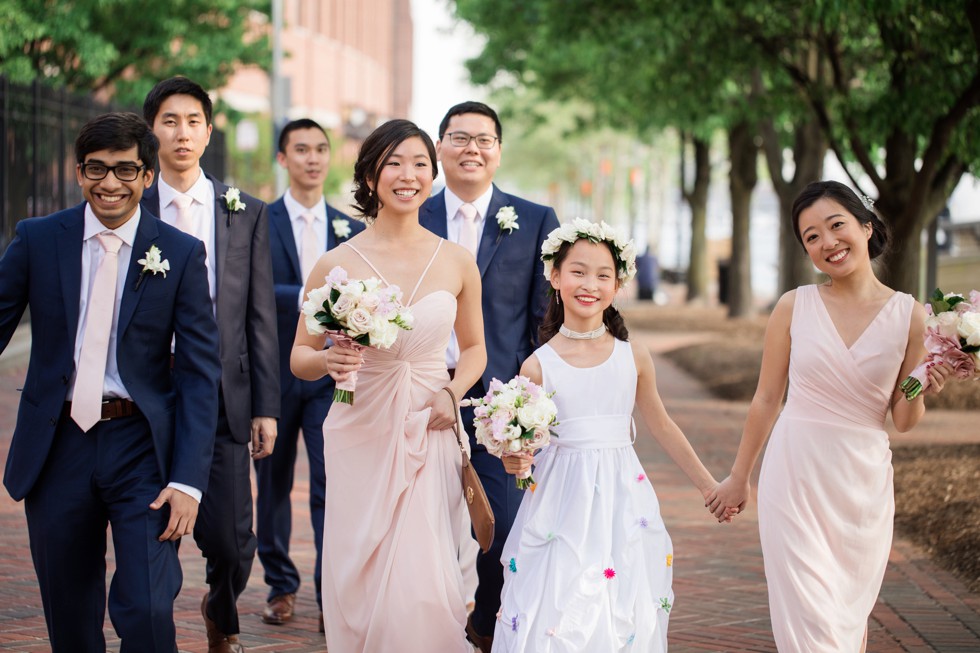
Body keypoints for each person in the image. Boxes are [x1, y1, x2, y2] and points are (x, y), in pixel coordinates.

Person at [0, 112, 221, 652]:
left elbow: (198, 373)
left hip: (141, 445)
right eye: (96, 169)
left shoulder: (180, 252)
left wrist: (190, 480)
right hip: (57, 445)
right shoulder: (37, 239)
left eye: (126, 171)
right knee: (70, 614)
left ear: (148, 177)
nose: (109, 184)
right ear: (79, 173)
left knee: (147, 610)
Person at [707, 181, 953, 652]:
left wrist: (923, 384)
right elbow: (765, 398)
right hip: (794, 473)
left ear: (866, 227)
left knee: (845, 615)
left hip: (862, 483)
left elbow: (903, 418)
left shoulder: (910, 316)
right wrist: (740, 477)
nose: (827, 243)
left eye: (836, 225)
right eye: (812, 237)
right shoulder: (794, 306)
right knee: (809, 618)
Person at [291, 119, 486, 652]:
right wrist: (328, 359)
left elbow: (474, 351)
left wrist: (452, 393)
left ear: (433, 172)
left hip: (430, 421)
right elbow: (299, 357)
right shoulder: (336, 264)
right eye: (395, 163)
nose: (409, 175)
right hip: (360, 425)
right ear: (371, 174)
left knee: (424, 572)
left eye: (420, 163)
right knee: (362, 566)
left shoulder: (455, 260)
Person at [494, 220, 729, 651]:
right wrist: (518, 460)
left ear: (617, 284)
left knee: (621, 605)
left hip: (623, 497)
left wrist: (708, 485)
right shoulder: (537, 365)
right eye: (578, 272)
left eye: (603, 275)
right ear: (555, 277)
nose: (590, 285)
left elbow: (661, 423)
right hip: (560, 501)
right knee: (559, 606)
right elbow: (526, 453)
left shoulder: (632, 356)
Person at [141, 76, 280, 653]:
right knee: (151, 526)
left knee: (232, 539)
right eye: (170, 120)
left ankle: (218, 609)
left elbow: (259, 315)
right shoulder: (132, 204)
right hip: (148, 392)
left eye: (193, 120)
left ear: (208, 129)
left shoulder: (244, 211)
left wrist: (265, 406)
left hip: (224, 396)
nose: (181, 132)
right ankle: (152, 625)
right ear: (152, 130)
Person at [419, 101, 560, 651]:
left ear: (498, 151)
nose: (471, 148)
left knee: (501, 524)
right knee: (418, 520)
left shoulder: (533, 219)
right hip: (423, 389)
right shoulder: (411, 214)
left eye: (483, 139)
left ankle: (486, 619)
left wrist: (530, 400)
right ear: (440, 149)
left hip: (498, 398)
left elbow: (541, 318)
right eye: (458, 138)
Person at [256, 118, 364, 630]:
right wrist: (308, 297)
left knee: (331, 483)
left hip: (330, 377)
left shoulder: (350, 227)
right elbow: (249, 291)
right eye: (301, 149)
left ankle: (330, 594)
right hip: (273, 372)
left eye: (321, 148)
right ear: (283, 159)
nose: (313, 158)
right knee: (272, 483)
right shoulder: (258, 220)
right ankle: (280, 585)